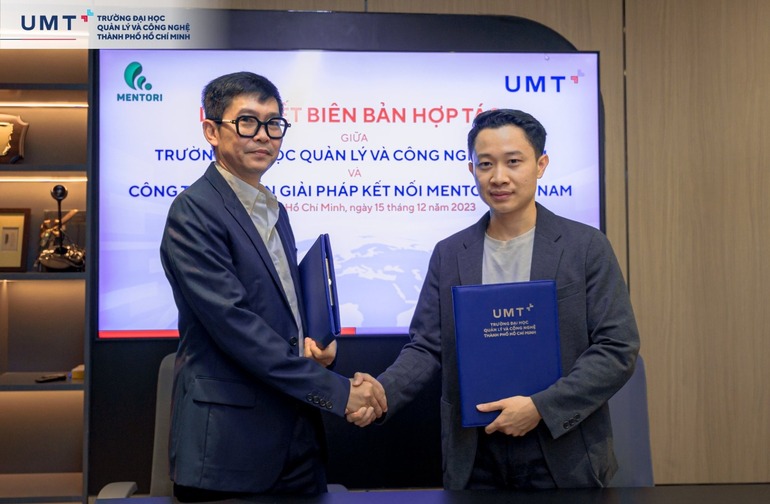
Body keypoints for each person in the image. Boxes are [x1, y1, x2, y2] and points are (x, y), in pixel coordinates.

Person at [349, 109, 640, 490]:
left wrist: (540, 408)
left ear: (541, 165)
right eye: (485, 164)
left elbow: (617, 348)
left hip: (561, 451)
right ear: (472, 170)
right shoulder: (450, 253)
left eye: (513, 162)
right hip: (475, 453)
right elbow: (428, 346)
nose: (498, 177)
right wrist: (382, 391)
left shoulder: (586, 247)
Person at [160, 71, 386, 502]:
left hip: (298, 436)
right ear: (211, 131)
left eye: (273, 123)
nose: (263, 135)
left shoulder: (275, 210)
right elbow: (236, 326)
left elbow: (278, 312)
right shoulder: (194, 212)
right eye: (247, 122)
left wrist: (314, 345)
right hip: (231, 448)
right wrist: (340, 392)